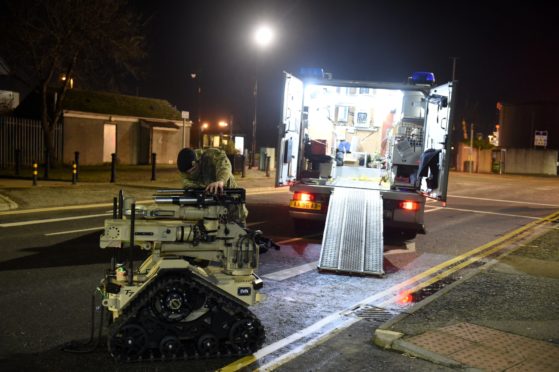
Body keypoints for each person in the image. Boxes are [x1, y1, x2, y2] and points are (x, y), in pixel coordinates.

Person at [177, 147, 247, 222]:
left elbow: (224, 165)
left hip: (231, 200)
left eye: (193, 170)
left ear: (197, 161)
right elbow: (188, 187)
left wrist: (220, 181)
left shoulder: (210, 155)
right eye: (189, 173)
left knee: (238, 228)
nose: (191, 173)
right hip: (210, 209)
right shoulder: (184, 172)